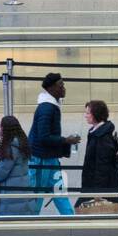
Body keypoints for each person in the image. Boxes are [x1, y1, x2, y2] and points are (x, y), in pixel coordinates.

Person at [28, 72, 81, 214]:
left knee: (60, 193)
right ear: (51, 88)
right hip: (41, 160)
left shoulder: (52, 106)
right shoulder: (46, 108)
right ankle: (30, 222)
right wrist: (66, 140)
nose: (64, 88)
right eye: (61, 85)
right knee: (38, 195)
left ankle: (71, 222)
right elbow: (43, 137)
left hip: (50, 159)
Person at [77, 99, 118, 209]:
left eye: (88, 113)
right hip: (94, 186)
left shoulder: (102, 137)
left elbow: (102, 167)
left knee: (87, 212)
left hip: (100, 189)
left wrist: (97, 194)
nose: (85, 116)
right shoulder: (96, 132)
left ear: (96, 114)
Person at [0, 116, 33, 215]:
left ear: (6, 129)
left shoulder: (10, 146)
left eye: (0, 126)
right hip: (23, 187)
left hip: (12, 191)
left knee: (8, 222)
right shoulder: (21, 142)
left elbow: (3, 171)